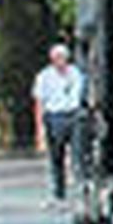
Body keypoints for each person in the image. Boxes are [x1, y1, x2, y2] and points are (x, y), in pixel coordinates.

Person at [32, 42, 86, 201]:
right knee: (57, 155)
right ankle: (59, 189)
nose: (59, 61)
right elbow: (39, 102)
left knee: (78, 153)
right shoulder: (44, 77)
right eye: (56, 58)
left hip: (73, 115)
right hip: (55, 117)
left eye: (62, 57)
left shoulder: (76, 73)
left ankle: (80, 185)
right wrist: (40, 128)